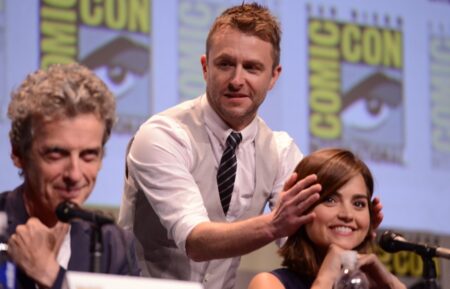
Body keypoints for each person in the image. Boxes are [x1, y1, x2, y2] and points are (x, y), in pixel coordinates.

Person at [118, 3, 382, 289]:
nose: (237, 80)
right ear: (205, 68)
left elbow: (305, 241)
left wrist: (355, 230)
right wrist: (274, 224)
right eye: (225, 64)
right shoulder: (163, 135)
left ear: (274, 76)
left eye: (252, 68)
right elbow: (194, 241)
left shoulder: (280, 151)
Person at [2, 63, 140, 289]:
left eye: (88, 155)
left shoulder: (112, 245)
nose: (74, 175)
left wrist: (51, 276)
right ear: (18, 153)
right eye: (56, 154)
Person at [248, 148, 405, 289]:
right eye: (330, 200)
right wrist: (325, 279)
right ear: (300, 208)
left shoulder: (372, 285)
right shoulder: (267, 284)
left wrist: (391, 283)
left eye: (358, 204)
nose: (347, 215)